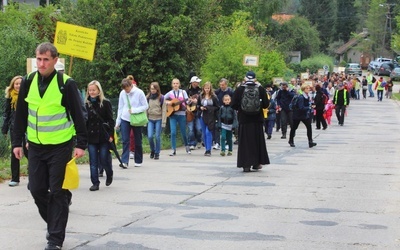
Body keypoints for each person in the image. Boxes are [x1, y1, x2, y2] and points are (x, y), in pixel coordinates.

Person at [12, 42, 88, 250]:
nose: (42, 63)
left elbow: (79, 115)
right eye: (39, 59)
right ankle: (55, 223)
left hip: (60, 147)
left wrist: (81, 143)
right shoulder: (28, 81)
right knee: (36, 189)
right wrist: (17, 142)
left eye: (46, 59)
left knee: (57, 192)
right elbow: (20, 114)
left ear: (55, 60)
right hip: (35, 146)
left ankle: (55, 239)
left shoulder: (67, 83)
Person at [231, 71, 269, 172]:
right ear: (255, 79)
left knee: (245, 142)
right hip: (257, 119)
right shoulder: (260, 88)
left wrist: (241, 108)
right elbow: (266, 104)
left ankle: (246, 164)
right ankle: (257, 163)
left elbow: (233, 104)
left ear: (245, 78)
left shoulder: (240, 89)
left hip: (244, 119)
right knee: (257, 141)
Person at [85, 80, 115, 191]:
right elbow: (84, 122)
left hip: (103, 136)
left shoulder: (106, 103)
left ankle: (109, 172)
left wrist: (111, 135)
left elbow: (111, 120)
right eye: (90, 90)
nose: (92, 92)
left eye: (94, 90)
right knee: (93, 161)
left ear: (98, 90)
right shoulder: (86, 104)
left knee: (103, 159)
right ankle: (95, 182)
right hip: (91, 137)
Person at [116, 78, 148, 168]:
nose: (126, 91)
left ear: (131, 85)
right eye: (124, 89)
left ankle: (138, 160)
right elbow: (120, 107)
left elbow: (145, 106)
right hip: (125, 118)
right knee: (125, 140)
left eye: (127, 88)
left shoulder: (139, 92)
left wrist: (134, 110)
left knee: (138, 140)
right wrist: (118, 121)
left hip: (136, 119)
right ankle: (124, 161)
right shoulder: (122, 93)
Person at [2, 75, 26, 187]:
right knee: (14, 152)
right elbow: (6, 113)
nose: (18, 86)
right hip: (14, 127)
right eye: (16, 84)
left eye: (20, 84)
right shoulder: (10, 97)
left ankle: (35, 178)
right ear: (13, 85)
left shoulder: (28, 96)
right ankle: (15, 178)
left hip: (27, 127)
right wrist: (5, 128)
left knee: (28, 151)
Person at [165, 78, 191, 156]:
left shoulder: (183, 92)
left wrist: (189, 101)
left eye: (177, 83)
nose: (175, 85)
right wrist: (168, 102)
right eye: (174, 83)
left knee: (183, 132)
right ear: (172, 85)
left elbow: (187, 102)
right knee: (173, 132)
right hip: (173, 114)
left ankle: (187, 145)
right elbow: (163, 99)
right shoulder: (170, 93)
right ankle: (173, 149)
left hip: (182, 114)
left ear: (179, 84)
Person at [197, 81, 219, 156]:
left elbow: (217, 107)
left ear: (210, 89)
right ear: (203, 88)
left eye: (208, 88)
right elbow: (197, 105)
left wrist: (209, 108)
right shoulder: (201, 96)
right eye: (205, 88)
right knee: (204, 133)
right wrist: (200, 107)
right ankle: (206, 149)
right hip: (202, 116)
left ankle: (209, 150)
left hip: (210, 117)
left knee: (208, 132)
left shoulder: (214, 97)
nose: (207, 90)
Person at [146, 82, 166, 160]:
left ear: (157, 89)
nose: (153, 90)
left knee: (157, 136)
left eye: (154, 89)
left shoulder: (161, 98)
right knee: (150, 136)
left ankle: (157, 152)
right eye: (151, 89)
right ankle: (152, 150)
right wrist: (145, 120)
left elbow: (164, 110)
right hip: (150, 118)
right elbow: (145, 109)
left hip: (159, 118)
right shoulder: (147, 97)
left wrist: (164, 121)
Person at [214, 78, 234, 150]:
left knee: (228, 129)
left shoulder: (231, 92)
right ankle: (217, 142)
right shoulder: (217, 92)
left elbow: (234, 101)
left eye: (223, 85)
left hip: (228, 111)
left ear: (226, 84)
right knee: (217, 126)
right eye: (220, 85)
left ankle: (227, 143)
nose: (221, 86)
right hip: (219, 111)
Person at [186, 76, 202, 150]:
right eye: (196, 82)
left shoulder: (201, 90)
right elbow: (184, 101)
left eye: (198, 82)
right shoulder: (187, 91)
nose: (198, 83)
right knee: (190, 129)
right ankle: (191, 143)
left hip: (198, 112)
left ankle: (199, 140)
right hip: (190, 112)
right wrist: (189, 101)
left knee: (199, 129)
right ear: (192, 82)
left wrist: (197, 101)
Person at [127, 75, 137, 159]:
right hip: (127, 117)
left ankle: (133, 150)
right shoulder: (124, 93)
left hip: (136, 117)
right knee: (129, 135)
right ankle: (130, 150)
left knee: (133, 135)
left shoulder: (136, 91)